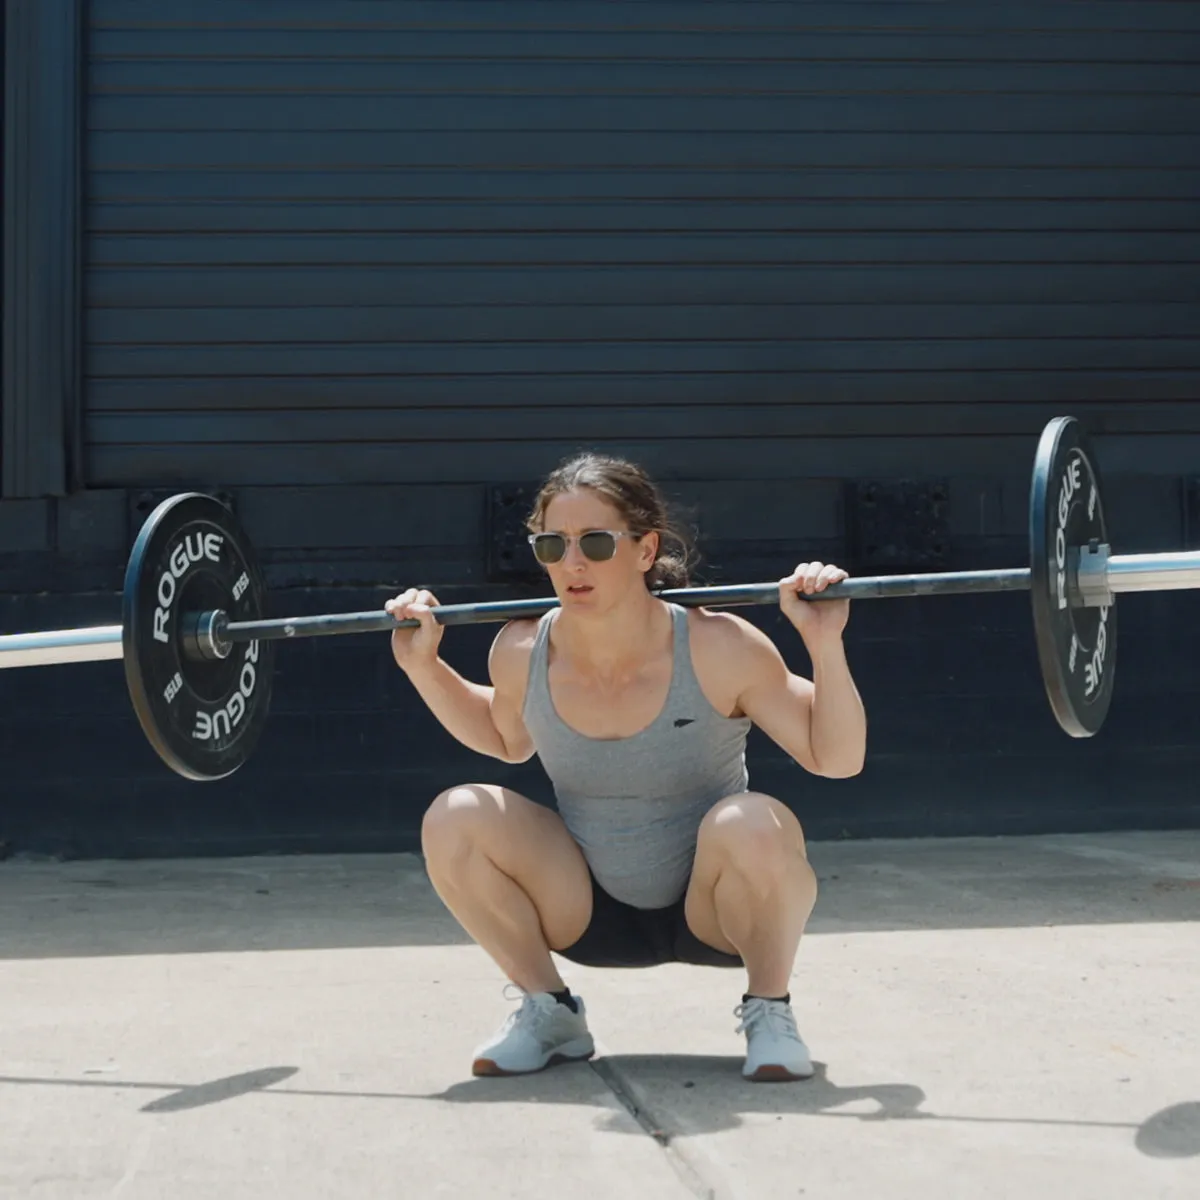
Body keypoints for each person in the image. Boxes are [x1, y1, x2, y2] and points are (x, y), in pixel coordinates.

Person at [386, 453, 867, 1082]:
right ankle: (549, 1011)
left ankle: (770, 1009)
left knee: (754, 820)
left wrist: (824, 643)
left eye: (596, 542)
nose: (573, 563)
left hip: (716, 912)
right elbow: (505, 739)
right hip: (587, 909)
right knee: (456, 816)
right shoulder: (522, 648)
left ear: (646, 550)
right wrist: (424, 666)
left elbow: (837, 757)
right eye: (553, 544)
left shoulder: (720, 645)